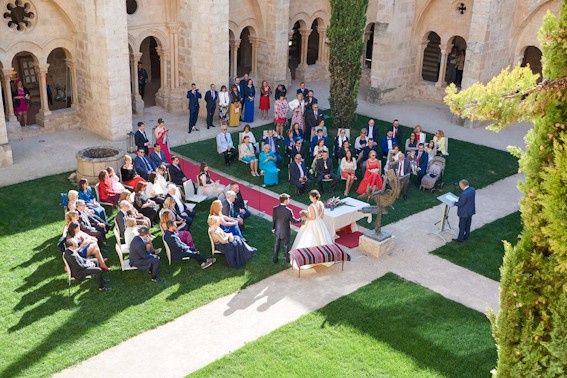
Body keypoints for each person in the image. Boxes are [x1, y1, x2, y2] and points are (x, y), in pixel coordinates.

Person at [208, 200, 256, 268]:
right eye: (220, 205)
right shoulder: (215, 229)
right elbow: (223, 240)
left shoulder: (216, 226)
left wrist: (234, 221)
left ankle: (248, 251)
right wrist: (230, 236)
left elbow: (224, 220)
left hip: (225, 238)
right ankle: (245, 254)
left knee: (237, 238)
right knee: (237, 240)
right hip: (223, 244)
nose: (222, 206)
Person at [272, 193, 301, 263]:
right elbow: (293, 221)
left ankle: (275, 259)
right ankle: (287, 259)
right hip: (285, 231)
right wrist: (301, 219)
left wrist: (273, 228)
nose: (289, 200)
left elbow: (274, 219)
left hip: (277, 230)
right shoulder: (288, 210)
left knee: (276, 245)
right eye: (288, 199)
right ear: (285, 200)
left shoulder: (275, 209)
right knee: (287, 245)